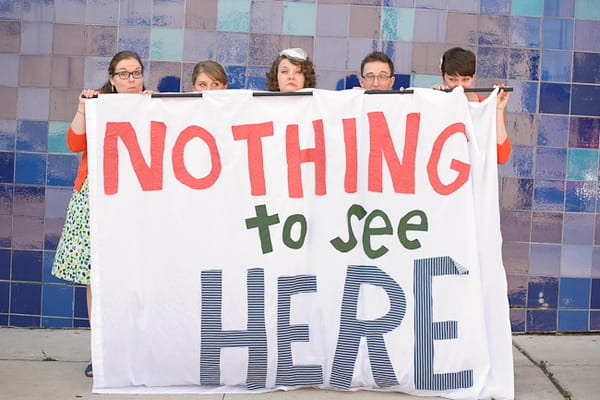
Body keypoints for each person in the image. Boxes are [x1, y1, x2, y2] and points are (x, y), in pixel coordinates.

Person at [51, 50, 154, 378]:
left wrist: (155, 110)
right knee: (96, 277)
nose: (130, 80)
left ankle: (134, 350)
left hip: (134, 202)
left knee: (133, 277)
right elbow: (73, 142)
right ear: (111, 78)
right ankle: (103, 351)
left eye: (135, 73)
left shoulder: (151, 105)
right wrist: (84, 108)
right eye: (123, 74)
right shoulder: (97, 105)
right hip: (95, 200)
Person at [433, 47, 512, 164]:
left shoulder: (486, 108)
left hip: (474, 179)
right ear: (442, 75)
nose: (459, 86)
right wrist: (433, 101)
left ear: (473, 77)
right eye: (452, 79)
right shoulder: (435, 101)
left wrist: (498, 110)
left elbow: (502, 157)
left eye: (465, 79)